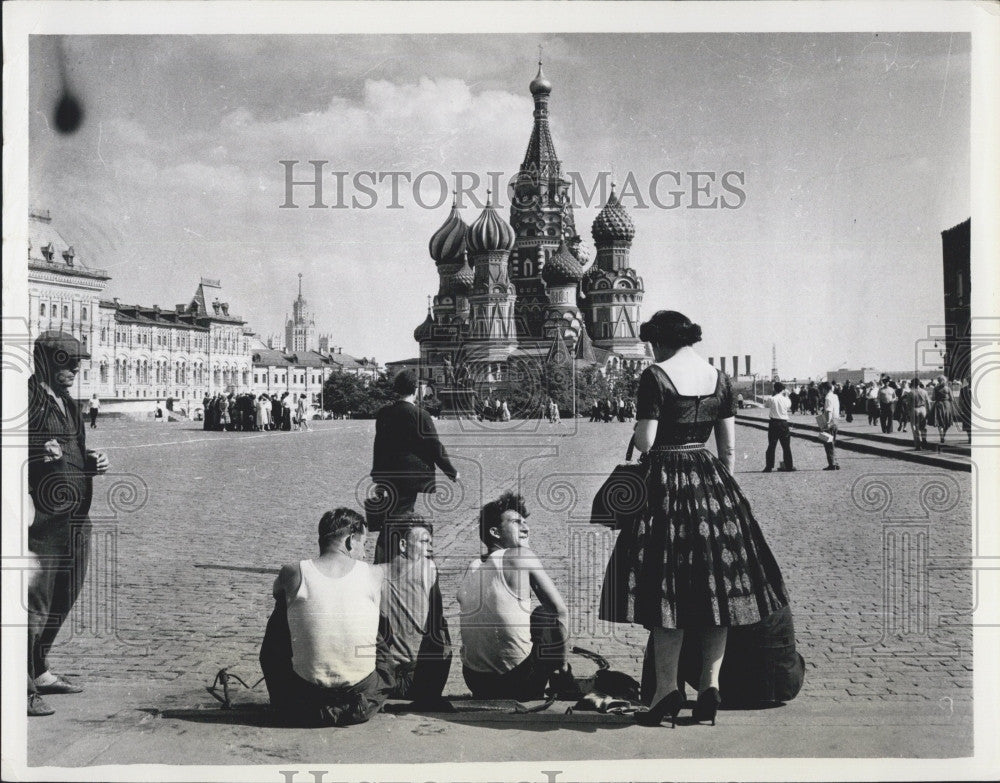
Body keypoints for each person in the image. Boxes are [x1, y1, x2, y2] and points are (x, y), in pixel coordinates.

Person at [599, 311, 789, 727]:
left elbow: (647, 440)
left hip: (666, 483)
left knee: (669, 591)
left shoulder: (655, 375)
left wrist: (638, 432)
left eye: (652, 342)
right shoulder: (719, 378)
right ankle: (710, 684)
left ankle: (666, 689)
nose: (650, 349)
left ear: (661, 342)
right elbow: (730, 450)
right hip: (712, 484)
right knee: (714, 592)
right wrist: (721, 496)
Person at [27, 332, 111, 716]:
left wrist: (92, 460)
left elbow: (75, 447)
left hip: (77, 518)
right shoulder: (25, 398)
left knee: (65, 594)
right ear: (45, 359)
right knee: (35, 603)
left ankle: (39, 668)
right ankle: (19, 685)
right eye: (66, 361)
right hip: (41, 521)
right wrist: (33, 451)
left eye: (78, 361)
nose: (75, 368)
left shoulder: (70, 404)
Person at [259, 508, 393, 726]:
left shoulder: (292, 571)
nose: (365, 554)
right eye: (364, 544)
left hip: (305, 701)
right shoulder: (374, 573)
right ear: (350, 541)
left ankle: (282, 698)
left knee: (282, 613)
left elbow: (277, 594)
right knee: (374, 622)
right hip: (362, 700)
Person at [457, 492, 575, 701]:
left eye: (525, 522)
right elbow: (560, 611)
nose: (526, 528)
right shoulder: (521, 556)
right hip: (516, 681)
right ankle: (562, 682)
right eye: (516, 522)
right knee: (544, 614)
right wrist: (563, 667)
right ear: (495, 532)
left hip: (476, 681)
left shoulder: (472, 566)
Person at [370, 370, 459, 562]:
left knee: (394, 516)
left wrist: (378, 479)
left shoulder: (385, 413)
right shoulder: (420, 414)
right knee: (399, 518)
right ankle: (389, 561)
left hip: (388, 475)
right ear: (415, 390)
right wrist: (451, 471)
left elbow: (380, 445)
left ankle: (389, 559)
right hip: (410, 477)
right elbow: (434, 446)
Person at [380, 514, 453, 708]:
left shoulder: (372, 573)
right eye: (424, 542)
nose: (430, 548)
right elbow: (436, 617)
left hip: (382, 680)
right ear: (403, 545)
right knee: (441, 626)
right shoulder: (428, 568)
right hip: (418, 681)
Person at [762, 382, 795, 472]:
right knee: (786, 446)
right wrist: (786, 395)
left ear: (774, 389)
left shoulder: (771, 399)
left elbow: (765, 405)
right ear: (782, 390)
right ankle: (789, 466)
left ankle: (769, 466)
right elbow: (789, 406)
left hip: (773, 423)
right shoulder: (786, 400)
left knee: (771, 445)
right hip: (784, 423)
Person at [818, 381, 841, 470]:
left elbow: (828, 411)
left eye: (822, 389)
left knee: (828, 443)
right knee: (832, 443)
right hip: (835, 421)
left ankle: (832, 464)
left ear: (825, 389)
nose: (821, 391)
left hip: (829, 422)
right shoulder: (835, 396)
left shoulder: (828, 398)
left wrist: (826, 423)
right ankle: (835, 462)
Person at [931, 374, 955, 444]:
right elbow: (952, 399)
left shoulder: (935, 388)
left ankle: (941, 436)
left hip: (938, 405)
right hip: (947, 405)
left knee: (939, 422)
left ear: (938, 381)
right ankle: (943, 434)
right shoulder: (948, 389)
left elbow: (933, 398)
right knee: (947, 422)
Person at [911, 378, 930, 450]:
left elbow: (909, 404)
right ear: (919, 384)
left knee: (914, 427)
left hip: (915, 409)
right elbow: (928, 402)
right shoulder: (924, 392)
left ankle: (918, 444)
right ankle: (924, 440)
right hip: (923, 409)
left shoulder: (911, 392)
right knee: (923, 426)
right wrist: (929, 411)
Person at [959, 377, 972, 445]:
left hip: (972, 410)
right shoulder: (963, 390)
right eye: (969, 380)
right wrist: (961, 409)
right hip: (967, 409)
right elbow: (960, 400)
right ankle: (970, 438)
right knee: (967, 425)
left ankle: (971, 438)